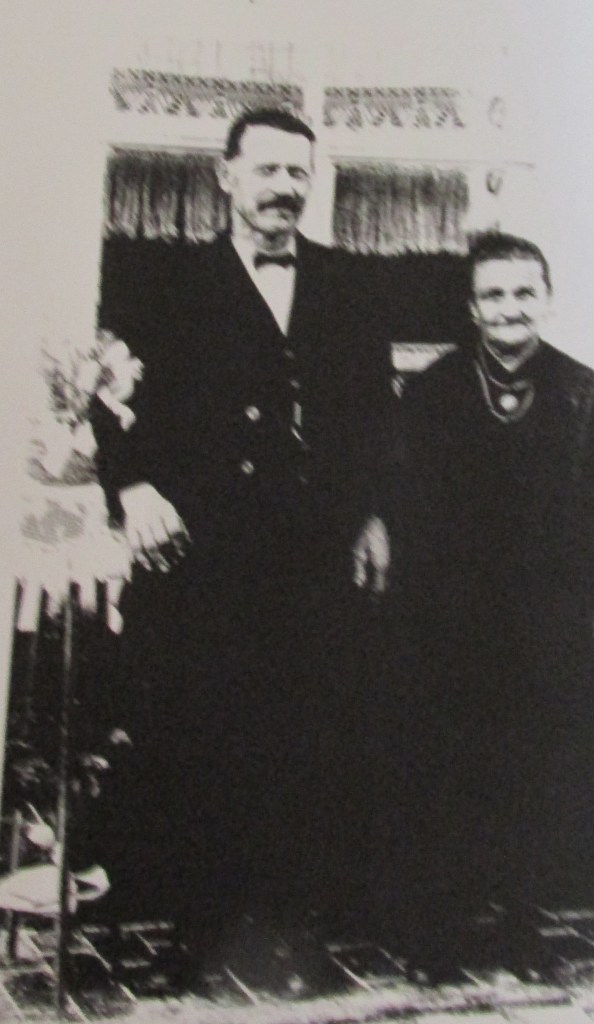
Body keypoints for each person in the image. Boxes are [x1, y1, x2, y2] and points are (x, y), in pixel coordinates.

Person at [91, 108, 392, 945]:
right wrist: (136, 483)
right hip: (206, 551)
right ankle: (201, 924)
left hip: (316, 549)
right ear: (225, 177)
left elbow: (375, 418)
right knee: (206, 727)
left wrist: (372, 516)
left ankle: (293, 922)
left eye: (299, 173)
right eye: (267, 171)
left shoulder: (349, 284)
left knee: (309, 728)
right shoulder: (163, 281)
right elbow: (108, 398)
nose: (285, 189)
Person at [385, 231, 594, 977]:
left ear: (547, 299)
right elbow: (406, 495)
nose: (509, 308)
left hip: (546, 618)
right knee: (449, 774)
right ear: (471, 306)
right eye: (493, 294)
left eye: (524, 292)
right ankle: (440, 934)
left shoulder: (583, 390)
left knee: (531, 774)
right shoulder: (433, 390)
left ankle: (524, 927)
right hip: (453, 616)